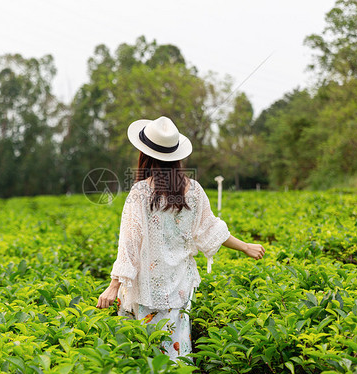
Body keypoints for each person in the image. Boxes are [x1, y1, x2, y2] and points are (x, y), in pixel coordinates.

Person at [96, 116, 265, 361]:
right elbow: (211, 230)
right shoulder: (194, 190)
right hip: (180, 289)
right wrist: (245, 246)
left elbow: (130, 243)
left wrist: (114, 286)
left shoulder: (140, 192)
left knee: (146, 356)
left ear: (145, 155)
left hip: (147, 290)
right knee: (176, 354)